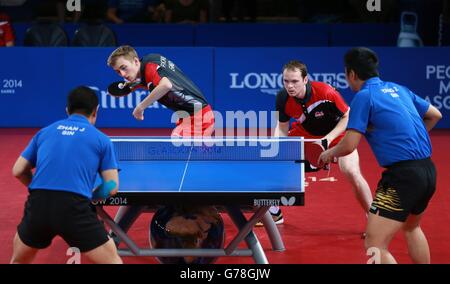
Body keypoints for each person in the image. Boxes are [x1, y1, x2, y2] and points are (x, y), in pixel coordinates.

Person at [319, 47, 442, 263]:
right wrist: (405, 138)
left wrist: (329, 153)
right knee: (412, 228)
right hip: (427, 171)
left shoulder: (364, 96)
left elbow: (348, 145)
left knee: (374, 245)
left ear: (352, 74)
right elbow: (435, 115)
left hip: (401, 178)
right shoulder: (399, 89)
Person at [106, 45, 215, 241]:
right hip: (189, 117)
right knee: (191, 171)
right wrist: (129, 86)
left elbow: (165, 85)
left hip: (198, 117)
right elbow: (147, 82)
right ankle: (200, 210)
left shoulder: (150, 66)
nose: (122, 73)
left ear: (136, 61)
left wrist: (140, 107)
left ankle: (201, 215)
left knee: (185, 169)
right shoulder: (150, 63)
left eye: (124, 68)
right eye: (118, 71)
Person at [10, 86, 122, 264]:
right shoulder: (101, 140)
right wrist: (92, 198)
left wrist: (37, 188)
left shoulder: (44, 132)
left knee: (18, 261)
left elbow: (18, 170)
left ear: (67, 110)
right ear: (96, 111)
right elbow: (111, 187)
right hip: (74, 207)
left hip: (39, 204)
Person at [261, 60, 373, 227]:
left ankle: (373, 219)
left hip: (337, 134)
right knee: (273, 164)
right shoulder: (282, 97)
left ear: (305, 80)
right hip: (305, 134)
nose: (290, 86)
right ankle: (275, 214)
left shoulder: (325, 92)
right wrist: (279, 147)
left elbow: (347, 117)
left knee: (352, 172)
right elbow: (282, 126)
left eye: (294, 81)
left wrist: (327, 139)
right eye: (286, 81)